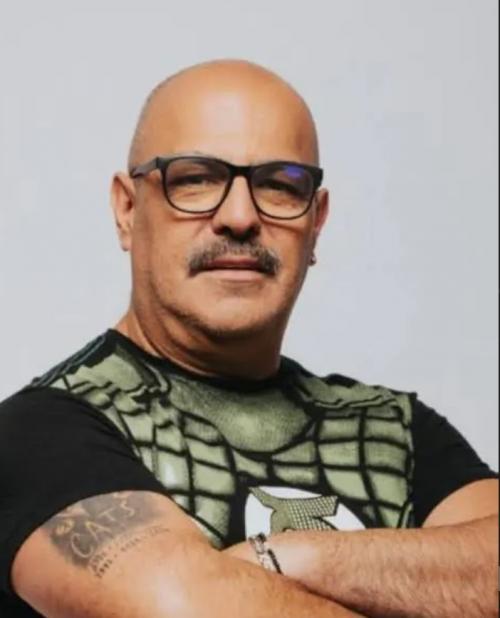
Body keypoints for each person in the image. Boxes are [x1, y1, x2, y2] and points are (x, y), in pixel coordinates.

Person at [0, 59, 497, 618]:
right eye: (195, 179)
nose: (239, 217)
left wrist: (283, 557)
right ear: (127, 208)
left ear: (316, 222)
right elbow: (183, 609)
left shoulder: (394, 432)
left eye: (280, 186)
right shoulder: (38, 433)